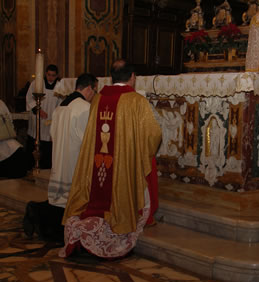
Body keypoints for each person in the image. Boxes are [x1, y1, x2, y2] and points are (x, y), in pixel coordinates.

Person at [59, 60, 162, 259]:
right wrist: (140, 152)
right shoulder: (136, 100)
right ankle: (120, 219)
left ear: (112, 78)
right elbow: (153, 134)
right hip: (120, 165)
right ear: (132, 77)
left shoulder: (98, 99)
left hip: (99, 159)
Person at [23, 73, 98, 242]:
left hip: (58, 158)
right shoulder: (84, 108)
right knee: (67, 202)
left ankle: (38, 212)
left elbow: (51, 135)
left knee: (59, 200)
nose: (94, 95)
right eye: (94, 91)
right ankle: (37, 210)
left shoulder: (60, 108)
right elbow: (89, 139)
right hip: (73, 161)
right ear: (88, 89)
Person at [25, 64, 62, 169]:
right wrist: (38, 110)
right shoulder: (37, 83)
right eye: (49, 75)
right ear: (45, 74)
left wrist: (55, 115)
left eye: (53, 75)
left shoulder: (60, 86)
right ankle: (31, 165)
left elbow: (61, 103)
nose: (50, 78)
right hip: (37, 118)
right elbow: (29, 98)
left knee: (48, 145)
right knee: (35, 140)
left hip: (51, 119)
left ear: (57, 75)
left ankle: (46, 166)